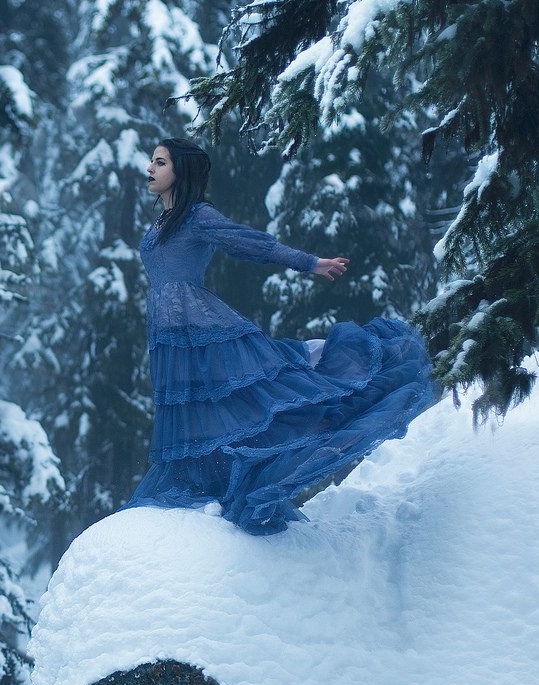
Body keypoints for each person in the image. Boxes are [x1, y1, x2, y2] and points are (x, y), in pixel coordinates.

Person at [120, 135, 437, 534]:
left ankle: (315, 421)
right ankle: (211, 493)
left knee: (249, 401)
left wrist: (309, 263)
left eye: (160, 162)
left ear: (180, 171)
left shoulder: (197, 216)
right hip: (169, 337)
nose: (150, 168)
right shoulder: (163, 221)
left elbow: (252, 244)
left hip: (201, 330)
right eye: (152, 161)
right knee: (196, 415)